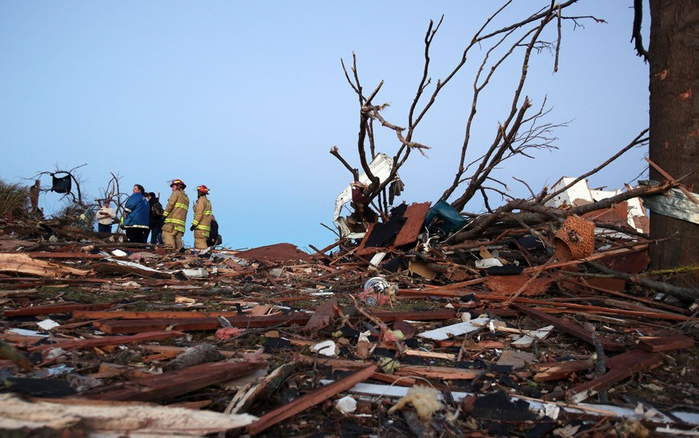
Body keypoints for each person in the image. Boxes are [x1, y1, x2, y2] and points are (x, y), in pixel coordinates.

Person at [162, 179, 189, 250]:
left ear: (178, 186)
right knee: (177, 239)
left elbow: (170, 205)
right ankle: (179, 254)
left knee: (167, 235)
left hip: (172, 223)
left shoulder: (176, 193)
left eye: (173, 186)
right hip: (181, 224)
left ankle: (170, 252)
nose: (172, 188)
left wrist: (164, 215)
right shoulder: (186, 198)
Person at [190, 185, 213, 249]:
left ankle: (206, 256)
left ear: (199, 192)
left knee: (200, 245)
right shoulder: (208, 202)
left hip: (200, 228)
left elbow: (199, 214)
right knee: (199, 245)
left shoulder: (201, 201)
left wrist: (194, 224)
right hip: (206, 228)